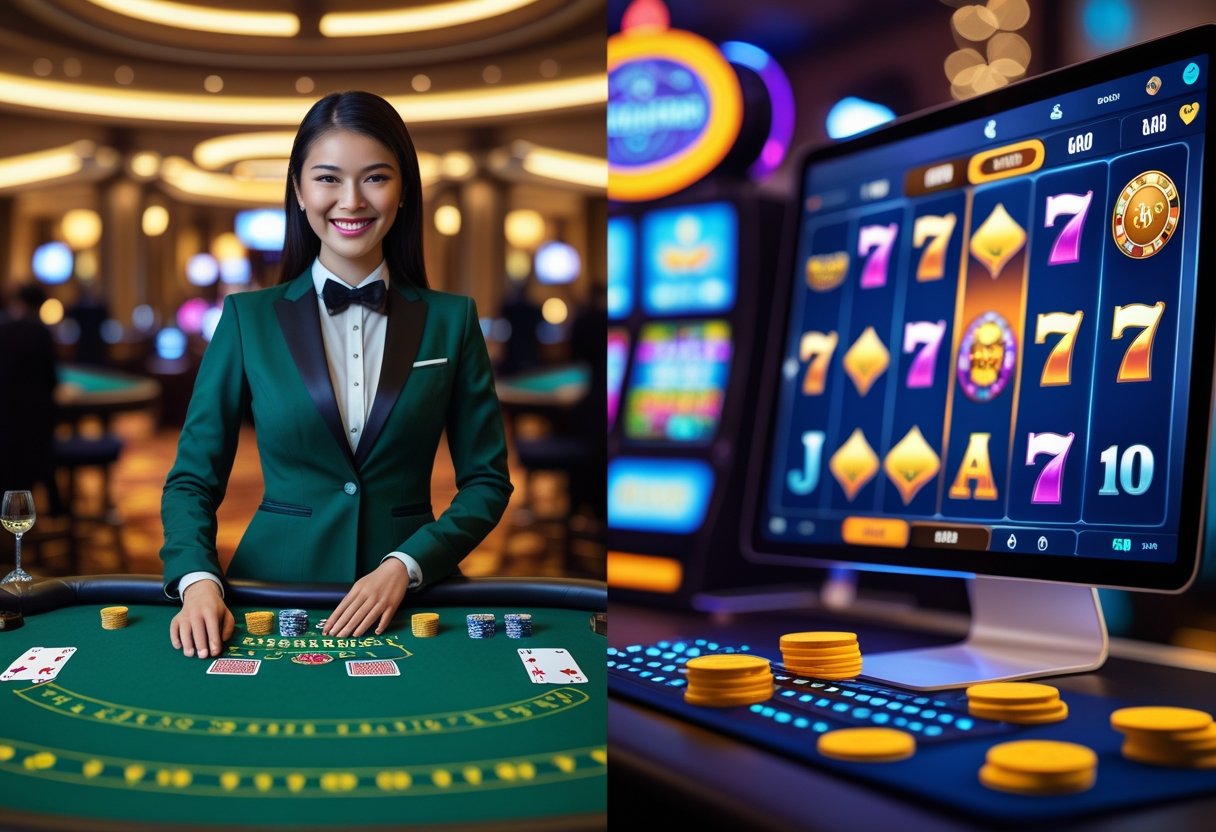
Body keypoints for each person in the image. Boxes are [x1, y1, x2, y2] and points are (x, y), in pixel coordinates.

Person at [161, 91, 513, 659]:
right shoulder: (246, 319)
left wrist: (407, 564)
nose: (351, 200)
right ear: (299, 191)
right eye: (328, 179)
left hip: (412, 604)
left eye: (375, 178)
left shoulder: (453, 320)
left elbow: (488, 482)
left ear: (404, 193)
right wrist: (197, 577)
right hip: (269, 595)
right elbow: (191, 480)